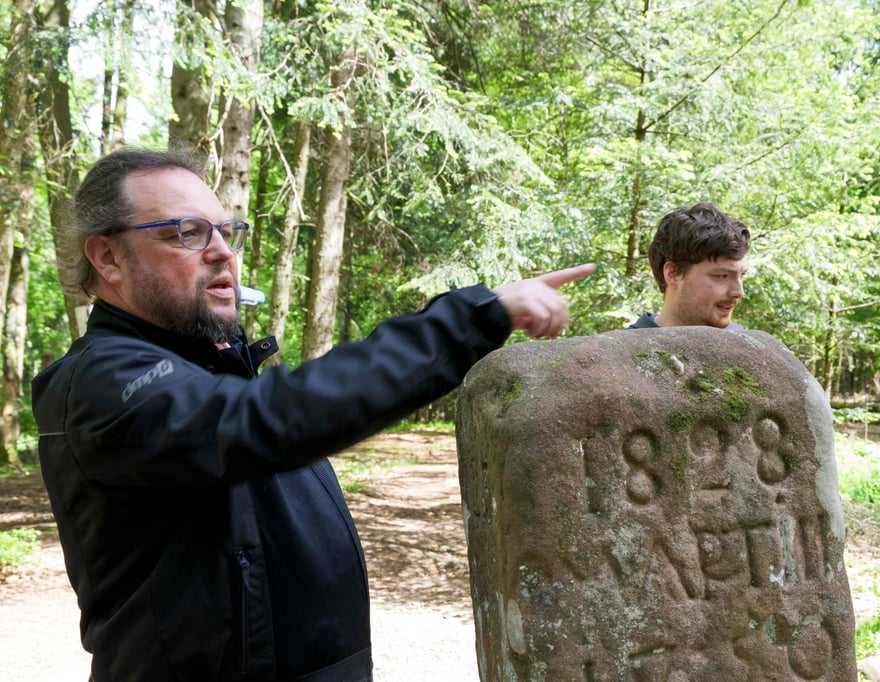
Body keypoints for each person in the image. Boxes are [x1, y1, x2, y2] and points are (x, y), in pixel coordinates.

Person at [31, 148, 595, 682]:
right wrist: (470, 320)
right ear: (108, 258)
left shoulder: (213, 369)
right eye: (187, 232)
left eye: (226, 231)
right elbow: (276, 418)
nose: (223, 252)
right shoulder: (104, 383)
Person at [629, 201, 749, 330]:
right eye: (722, 276)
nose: (739, 292)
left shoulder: (746, 340)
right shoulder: (625, 343)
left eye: (741, 275)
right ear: (673, 274)